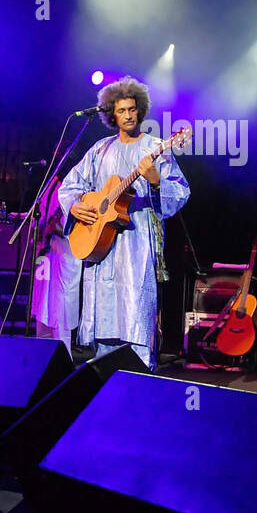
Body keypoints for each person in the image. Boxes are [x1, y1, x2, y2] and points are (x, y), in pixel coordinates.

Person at [58, 76, 189, 369]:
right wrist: (77, 207)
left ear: (140, 110)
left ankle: (138, 385)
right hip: (101, 251)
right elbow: (68, 188)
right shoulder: (99, 150)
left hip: (137, 245)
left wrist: (156, 182)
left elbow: (180, 192)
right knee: (104, 330)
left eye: (132, 109)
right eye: (121, 111)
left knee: (135, 319)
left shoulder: (157, 147)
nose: (128, 115)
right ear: (110, 114)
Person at [30, 173, 80, 354]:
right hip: (47, 253)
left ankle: (63, 361)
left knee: (61, 311)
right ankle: (41, 357)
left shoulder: (77, 183)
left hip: (66, 253)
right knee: (42, 308)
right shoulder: (49, 184)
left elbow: (79, 224)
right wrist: (40, 229)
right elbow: (41, 214)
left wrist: (58, 229)